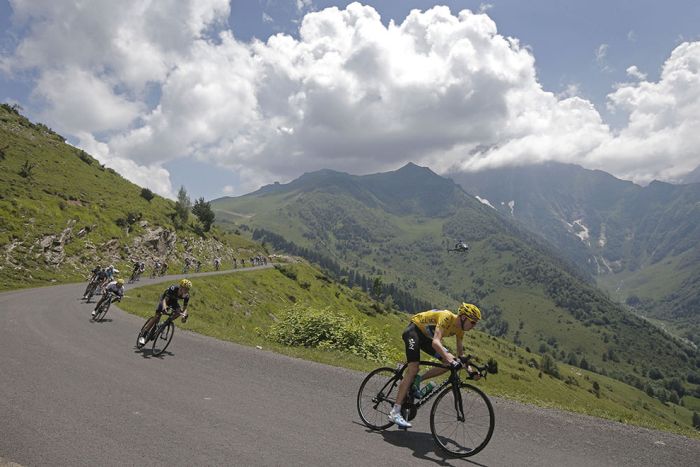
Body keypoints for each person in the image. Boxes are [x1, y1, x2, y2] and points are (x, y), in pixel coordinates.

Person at [388, 303, 482, 429]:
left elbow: (461, 355)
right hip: (414, 331)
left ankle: (418, 380)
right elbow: (436, 342)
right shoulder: (447, 316)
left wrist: (471, 372)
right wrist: (450, 358)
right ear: (463, 317)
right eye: (473, 322)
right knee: (414, 367)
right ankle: (395, 412)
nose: (473, 326)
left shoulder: (460, 330)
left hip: (426, 338)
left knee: (447, 363)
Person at [138, 279, 192, 346]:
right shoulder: (173, 288)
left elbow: (184, 308)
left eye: (188, 289)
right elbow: (165, 300)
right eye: (185, 289)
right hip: (165, 300)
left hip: (174, 301)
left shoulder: (186, 296)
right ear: (181, 287)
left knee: (178, 311)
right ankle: (143, 335)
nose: (187, 291)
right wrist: (164, 307)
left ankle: (166, 323)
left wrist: (184, 315)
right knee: (157, 317)